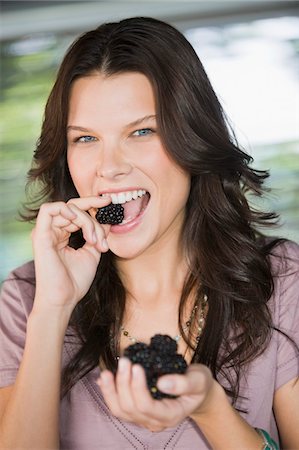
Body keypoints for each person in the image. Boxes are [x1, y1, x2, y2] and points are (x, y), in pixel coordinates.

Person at [0, 16, 298, 450]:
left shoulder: (282, 279)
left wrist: (210, 408)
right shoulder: (27, 296)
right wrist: (53, 307)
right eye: (85, 139)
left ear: (192, 136)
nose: (110, 166)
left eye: (142, 131)